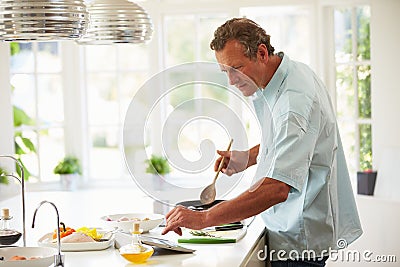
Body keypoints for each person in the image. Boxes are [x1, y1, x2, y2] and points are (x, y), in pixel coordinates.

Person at [162, 18, 362, 266]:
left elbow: (277, 188)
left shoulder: (294, 102)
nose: (231, 81)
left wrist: (202, 219)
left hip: (296, 241)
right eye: (225, 72)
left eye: (236, 68)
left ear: (262, 53)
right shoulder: (290, 73)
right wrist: (248, 157)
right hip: (291, 231)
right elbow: (295, 144)